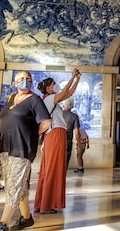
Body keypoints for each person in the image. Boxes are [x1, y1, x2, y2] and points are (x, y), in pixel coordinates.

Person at [0, 70, 52, 231]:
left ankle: (3, 223)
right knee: (19, 184)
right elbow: (4, 123)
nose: (24, 81)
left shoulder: (35, 100)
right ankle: (26, 218)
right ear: (15, 82)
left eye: (28, 78)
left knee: (14, 185)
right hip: (6, 146)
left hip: (22, 147)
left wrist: (31, 133)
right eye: (21, 78)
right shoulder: (11, 98)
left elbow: (46, 121)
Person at [34, 71, 81, 215]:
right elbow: (65, 91)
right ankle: (46, 205)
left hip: (53, 134)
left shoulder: (50, 99)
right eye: (54, 84)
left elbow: (68, 93)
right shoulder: (50, 99)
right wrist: (72, 77)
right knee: (53, 168)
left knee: (48, 169)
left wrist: (77, 80)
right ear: (48, 88)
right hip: (56, 134)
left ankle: (41, 203)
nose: (56, 86)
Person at [61, 99, 81, 166]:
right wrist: (78, 144)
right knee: (65, 164)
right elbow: (77, 133)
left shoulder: (58, 114)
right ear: (72, 106)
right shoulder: (74, 116)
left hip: (57, 141)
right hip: (67, 142)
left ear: (64, 105)